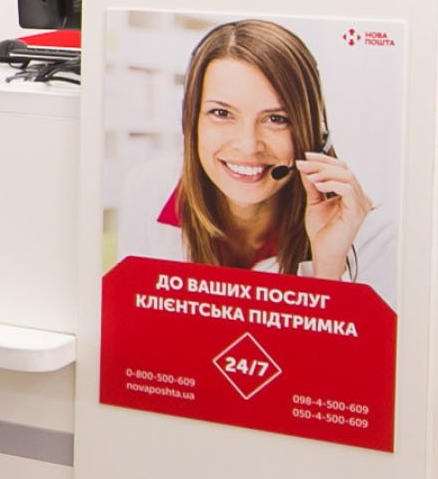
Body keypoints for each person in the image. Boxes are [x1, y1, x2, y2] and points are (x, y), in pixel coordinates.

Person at [120, 18, 392, 300]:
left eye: (276, 119)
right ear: (191, 121)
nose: (248, 147)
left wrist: (328, 268)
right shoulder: (148, 189)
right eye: (221, 113)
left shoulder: (367, 234)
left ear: (314, 132)